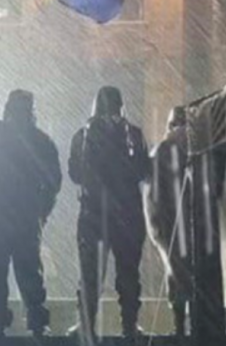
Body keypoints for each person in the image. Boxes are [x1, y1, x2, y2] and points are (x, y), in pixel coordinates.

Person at [0, 90, 61, 338]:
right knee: (29, 272)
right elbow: (53, 183)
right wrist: (41, 213)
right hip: (24, 219)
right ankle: (36, 321)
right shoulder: (41, 142)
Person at [68, 86, 150, 340]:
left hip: (93, 214)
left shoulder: (83, 134)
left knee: (90, 274)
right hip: (128, 214)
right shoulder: (133, 134)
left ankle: (87, 325)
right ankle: (129, 326)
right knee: (128, 273)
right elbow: (144, 170)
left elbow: (75, 173)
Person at [144, 106, 191, 336]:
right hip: (176, 223)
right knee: (180, 273)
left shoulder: (166, 151)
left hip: (175, 223)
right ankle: (184, 324)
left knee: (178, 274)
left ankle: (181, 324)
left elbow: (152, 194)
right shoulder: (169, 152)